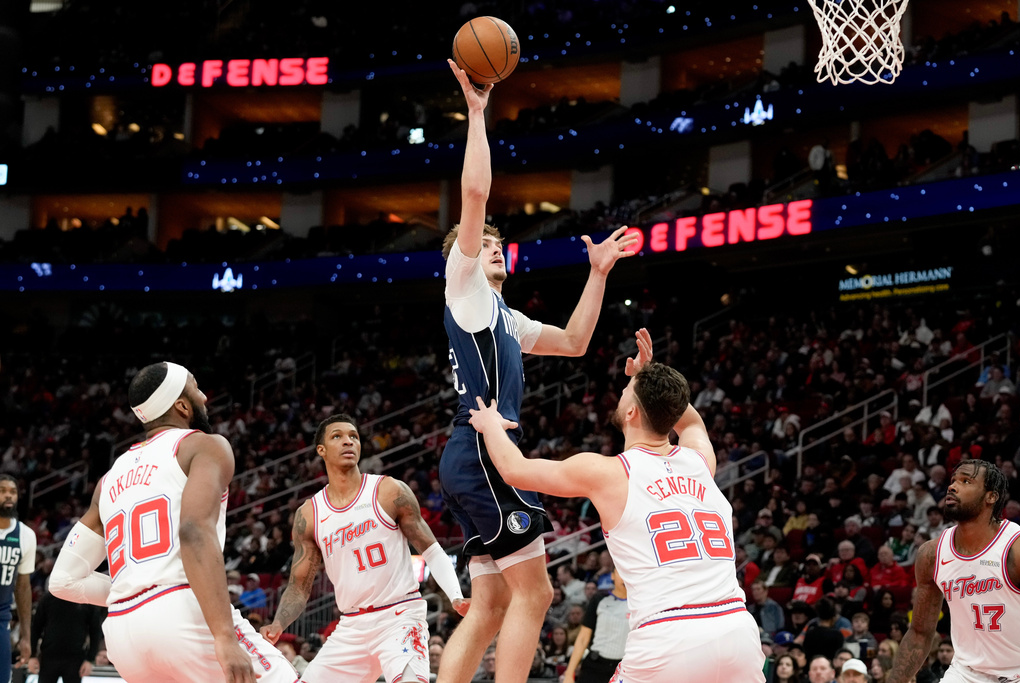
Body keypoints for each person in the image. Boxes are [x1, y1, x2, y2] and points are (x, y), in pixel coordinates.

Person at [437, 59, 637, 683]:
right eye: (482, 244)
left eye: (498, 245)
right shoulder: (465, 286)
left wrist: (597, 274)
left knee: (495, 601)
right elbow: (475, 194)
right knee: (538, 594)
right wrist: (476, 114)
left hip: (473, 454)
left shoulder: (504, 315)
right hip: (484, 452)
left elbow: (576, 342)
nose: (491, 247)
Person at [467, 334, 765, 682]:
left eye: (627, 389)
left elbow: (514, 470)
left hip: (668, 634)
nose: (623, 390)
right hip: (736, 629)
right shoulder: (700, 460)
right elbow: (692, 422)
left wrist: (489, 425)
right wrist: (651, 377)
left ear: (631, 411)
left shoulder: (608, 472)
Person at [47, 361, 297, 683]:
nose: (204, 397)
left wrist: (135, 585)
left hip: (123, 634)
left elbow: (62, 581)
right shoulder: (204, 445)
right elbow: (194, 531)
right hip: (182, 612)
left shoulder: (109, 479)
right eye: (196, 388)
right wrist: (223, 635)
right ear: (181, 405)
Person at [260, 414, 469, 683]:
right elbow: (299, 585)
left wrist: (455, 595)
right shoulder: (310, 514)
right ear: (321, 450)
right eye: (337, 436)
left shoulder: (388, 490)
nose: (348, 441)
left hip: (399, 615)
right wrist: (278, 624)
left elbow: (431, 549)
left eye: (353, 436)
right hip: (352, 625)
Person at [889, 459, 1020, 683]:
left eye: (966, 481)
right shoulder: (932, 554)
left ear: (991, 496)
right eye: (953, 481)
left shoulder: (1016, 549)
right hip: (965, 672)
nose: (952, 486)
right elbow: (920, 633)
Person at [563, 567, 629, 683]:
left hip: (625, 669)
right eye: (620, 572)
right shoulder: (599, 600)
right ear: (612, 576)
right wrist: (569, 672)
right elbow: (583, 638)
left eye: (628, 573)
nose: (624, 577)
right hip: (595, 666)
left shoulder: (639, 604)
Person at [0, 474, 36, 682]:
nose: (8, 496)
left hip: (2, 620)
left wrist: (25, 636)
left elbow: (23, 587)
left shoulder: (26, 535)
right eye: (3, 491)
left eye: (12, 492)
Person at [29, 588, 104, 683]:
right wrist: (32, 655)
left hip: (75, 659)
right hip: (49, 657)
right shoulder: (48, 598)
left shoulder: (86, 599)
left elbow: (95, 631)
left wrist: (90, 659)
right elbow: (36, 627)